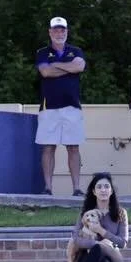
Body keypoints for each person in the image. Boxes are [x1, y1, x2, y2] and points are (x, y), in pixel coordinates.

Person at [35, 17, 87, 196]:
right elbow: (45, 71)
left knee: (73, 147)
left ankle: (77, 188)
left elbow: (79, 67)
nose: (59, 33)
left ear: (67, 32)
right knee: (48, 147)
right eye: (56, 30)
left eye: (62, 30)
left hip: (72, 106)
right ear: (50, 32)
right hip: (48, 106)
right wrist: (68, 67)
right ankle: (48, 188)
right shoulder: (42, 52)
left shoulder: (76, 50)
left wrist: (56, 65)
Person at [72, 173, 128, 262]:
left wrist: (101, 231)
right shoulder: (85, 213)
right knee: (102, 261)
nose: (103, 190)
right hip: (87, 258)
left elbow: (122, 242)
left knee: (103, 254)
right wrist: (96, 244)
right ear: (94, 191)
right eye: (99, 187)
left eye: (106, 186)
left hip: (114, 256)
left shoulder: (120, 213)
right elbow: (76, 238)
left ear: (111, 190)